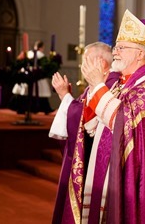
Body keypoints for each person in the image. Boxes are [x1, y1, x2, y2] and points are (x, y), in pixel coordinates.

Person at [81, 9, 145, 223]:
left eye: (121, 48)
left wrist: (98, 87)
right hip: (105, 161)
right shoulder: (120, 83)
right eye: (115, 47)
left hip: (132, 170)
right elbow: (93, 124)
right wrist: (95, 88)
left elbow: (122, 121)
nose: (116, 52)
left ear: (140, 54)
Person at [48, 42, 121, 223]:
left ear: (100, 62)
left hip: (103, 163)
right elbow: (83, 113)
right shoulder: (97, 85)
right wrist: (67, 99)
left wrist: (65, 97)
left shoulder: (112, 85)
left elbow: (86, 120)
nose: (83, 65)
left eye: (86, 60)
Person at [11, 40, 53, 114]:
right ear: (42, 47)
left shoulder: (29, 53)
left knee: (25, 92)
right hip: (37, 76)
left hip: (27, 76)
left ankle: (22, 109)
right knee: (37, 92)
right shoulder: (41, 55)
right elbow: (44, 67)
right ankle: (40, 109)